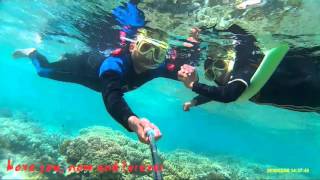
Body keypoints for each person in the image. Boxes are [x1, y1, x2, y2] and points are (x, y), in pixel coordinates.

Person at [13, 0, 201, 144]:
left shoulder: (156, 67)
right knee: (44, 71)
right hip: (86, 70)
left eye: (158, 53)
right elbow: (112, 97)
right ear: (133, 45)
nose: (150, 58)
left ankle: (65, 54)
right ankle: (33, 53)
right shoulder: (114, 65)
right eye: (146, 48)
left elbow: (185, 73)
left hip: (97, 73)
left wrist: (191, 78)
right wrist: (134, 123)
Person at [178, 24, 320, 113]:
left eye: (220, 65)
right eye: (211, 75)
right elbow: (222, 92)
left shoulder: (244, 67)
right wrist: (196, 101)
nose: (218, 74)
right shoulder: (236, 82)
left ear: (228, 58)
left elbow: (228, 94)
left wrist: (193, 85)